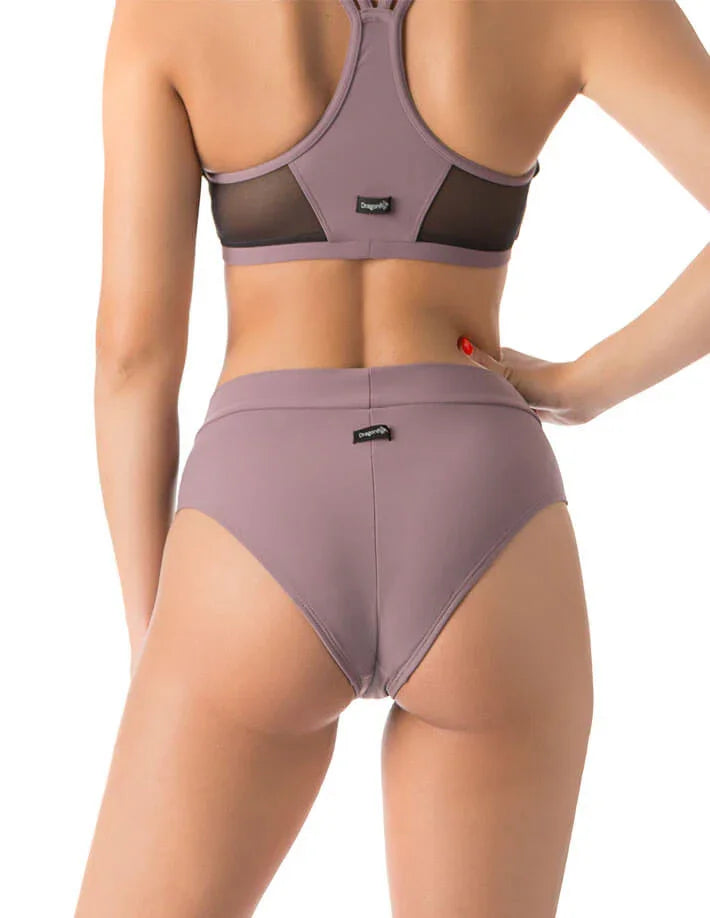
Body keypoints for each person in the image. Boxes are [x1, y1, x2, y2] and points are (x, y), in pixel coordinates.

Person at [76, 1, 710, 915]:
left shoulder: (170, 13)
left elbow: (132, 356)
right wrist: (585, 385)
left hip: (255, 523)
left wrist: (157, 638)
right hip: (485, 513)